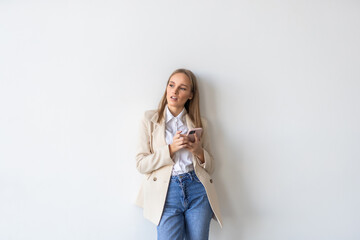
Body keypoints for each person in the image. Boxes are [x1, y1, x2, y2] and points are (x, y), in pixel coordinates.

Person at [135, 68, 222, 240]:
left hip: (197, 189)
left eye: (182, 88)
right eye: (171, 85)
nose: (174, 91)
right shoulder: (149, 119)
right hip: (166, 192)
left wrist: (198, 152)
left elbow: (211, 166)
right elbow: (141, 164)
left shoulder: (200, 123)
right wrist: (170, 149)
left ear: (190, 94)